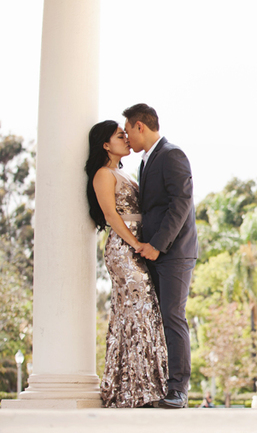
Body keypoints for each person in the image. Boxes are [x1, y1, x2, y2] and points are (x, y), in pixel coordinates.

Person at [85, 120, 168, 408]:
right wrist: (135, 246)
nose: (126, 138)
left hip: (137, 247)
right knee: (138, 311)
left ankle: (138, 388)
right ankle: (137, 390)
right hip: (124, 250)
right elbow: (110, 216)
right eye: (120, 136)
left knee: (136, 314)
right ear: (106, 145)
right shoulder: (103, 175)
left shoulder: (126, 174)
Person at [123, 103, 199, 409]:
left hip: (175, 252)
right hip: (153, 254)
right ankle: (159, 386)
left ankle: (178, 389)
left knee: (173, 316)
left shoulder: (172, 154)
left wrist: (158, 244)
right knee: (159, 318)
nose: (127, 137)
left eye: (128, 130)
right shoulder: (146, 161)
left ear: (140, 126)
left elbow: (181, 203)